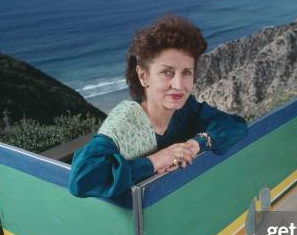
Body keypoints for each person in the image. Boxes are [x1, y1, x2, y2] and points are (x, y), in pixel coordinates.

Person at [68, 15, 248, 198]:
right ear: (143, 76)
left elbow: (234, 125)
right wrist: (156, 160)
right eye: (167, 72)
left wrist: (194, 145)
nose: (179, 85)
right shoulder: (124, 124)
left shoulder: (186, 109)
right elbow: (81, 179)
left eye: (186, 72)